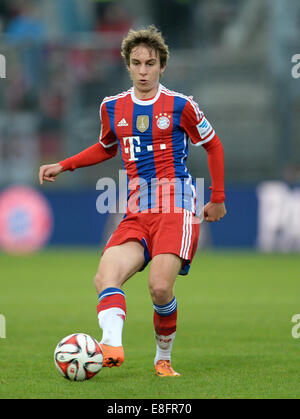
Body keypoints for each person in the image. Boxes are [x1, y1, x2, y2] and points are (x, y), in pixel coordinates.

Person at [39, 25, 226, 377]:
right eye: (137, 63)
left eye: (150, 63)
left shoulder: (181, 105)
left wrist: (217, 198)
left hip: (176, 206)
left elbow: (212, 144)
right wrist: (65, 164)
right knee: (105, 275)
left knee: (159, 288)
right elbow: (106, 146)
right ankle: (111, 344)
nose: (143, 71)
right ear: (127, 65)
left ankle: (162, 358)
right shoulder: (111, 107)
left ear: (162, 66)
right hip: (137, 210)